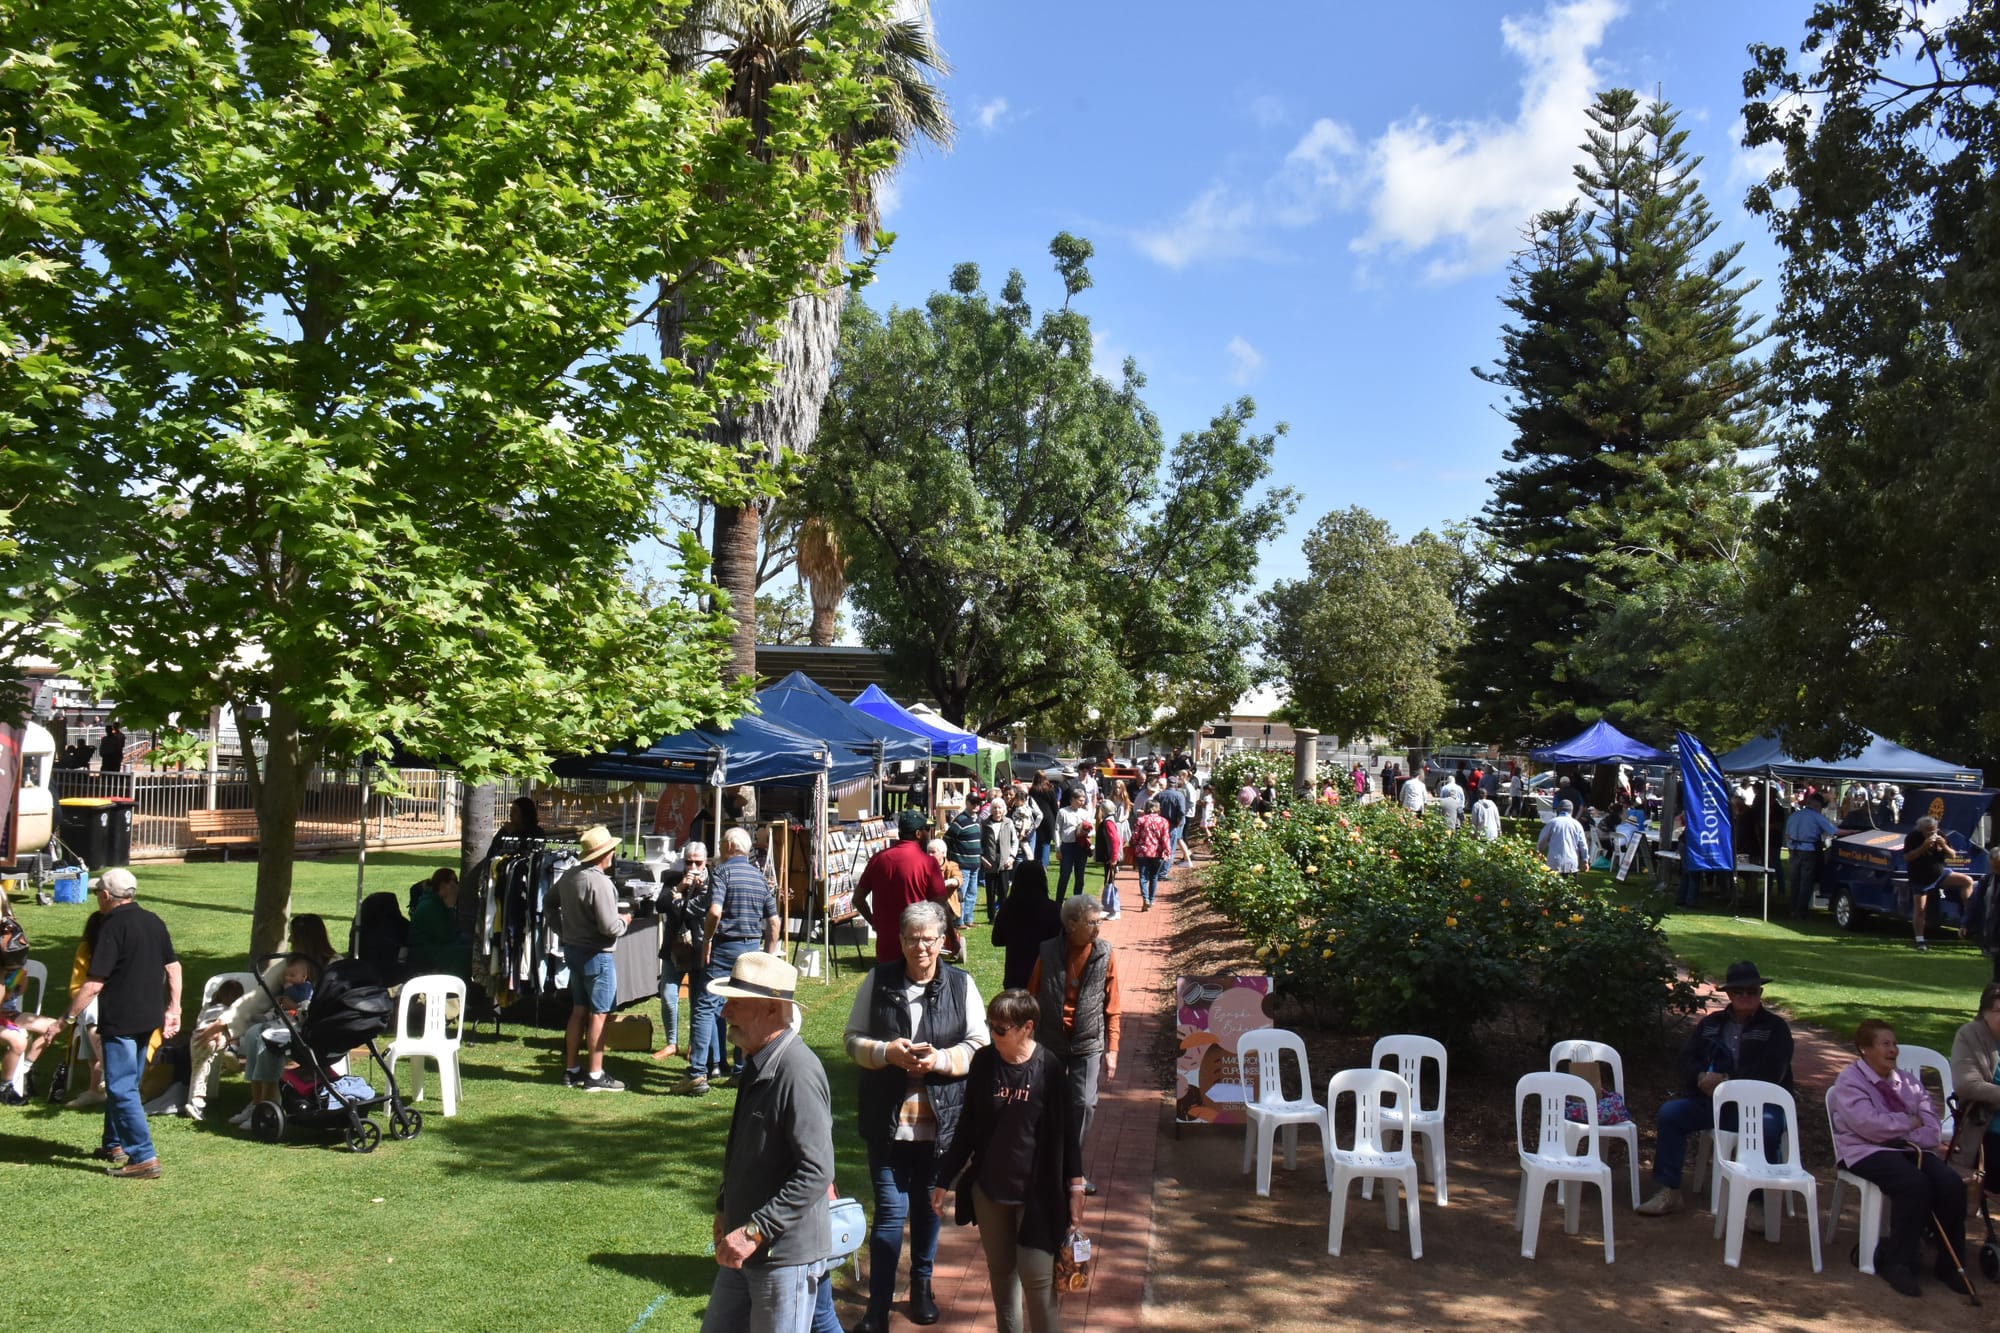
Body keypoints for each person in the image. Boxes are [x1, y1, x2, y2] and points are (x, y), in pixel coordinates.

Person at [844, 902, 988, 1332]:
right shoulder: (879, 980)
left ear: (943, 942)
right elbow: (851, 1039)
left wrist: (941, 1060)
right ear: (901, 941)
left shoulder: (962, 985)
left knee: (928, 1210)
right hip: (888, 1122)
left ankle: (921, 1288)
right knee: (889, 1215)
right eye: (912, 938)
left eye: (929, 939)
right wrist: (885, 1052)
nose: (920, 947)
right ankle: (878, 1307)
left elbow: (980, 1044)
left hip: (941, 1126)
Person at [930, 990, 1084, 1333]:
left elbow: (1067, 1135)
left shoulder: (1050, 1069)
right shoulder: (985, 1063)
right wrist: (944, 1180)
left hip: (1038, 1196)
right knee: (1001, 1277)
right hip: (991, 1192)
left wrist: (1076, 1185)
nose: (993, 1034)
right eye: (991, 1025)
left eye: (1001, 1029)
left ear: (1026, 1028)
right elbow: (967, 1125)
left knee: (1037, 1278)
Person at [701, 951, 834, 1333]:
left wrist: (755, 1229)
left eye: (736, 1004)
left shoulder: (796, 1072)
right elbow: (745, 1149)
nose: (725, 1013)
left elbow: (816, 1170)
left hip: (780, 1257)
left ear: (773, 1010)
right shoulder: (757, 1060)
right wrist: (726, 1206)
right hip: (744, 1246)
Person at [1636, 961, 1793, 1216]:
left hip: (1758, 1106)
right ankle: (1669, 1189)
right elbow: (1686, 1057)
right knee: (1671, 1114)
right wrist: (1699, 1076)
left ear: (1760, 993)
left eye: (1751, 991)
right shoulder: (1711, 1024)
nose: (1745, 996)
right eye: (1739, 991)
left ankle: (1757, 1202)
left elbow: (1773, 1070)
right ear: (1729, 994)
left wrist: (1728, 1080)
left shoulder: (1775, 1028)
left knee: (1768, 1127)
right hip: (1713, 1102)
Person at [1830, 1018, 1969, 1297]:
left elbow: (1932, 1131)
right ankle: (1900, 1262)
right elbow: (1868, 1126)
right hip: (1864, 1151)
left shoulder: (1909, 1083)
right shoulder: (1850, 1081)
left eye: (1894, 1044)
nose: (1893, 1049)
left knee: (1952, 1184)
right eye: (1885, 1044)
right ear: (1865, 1049)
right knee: (1913, 1184)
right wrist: (1908, 1121)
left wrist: (1902, 1133)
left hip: (1908, 1149)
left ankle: (1949, 1263)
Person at [60, 868, 180, 1179]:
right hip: (148, 1018)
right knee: (125, 1085)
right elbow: (174, 967)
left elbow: (93, 984)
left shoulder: (111, 927)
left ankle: (143, 1156)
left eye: (98, 892)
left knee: (121, 1087)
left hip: (122, 1020)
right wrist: (174, 1007)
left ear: (105, 896)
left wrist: (65, 1019)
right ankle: (114, 1143)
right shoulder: (154, 920)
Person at [1026, 894, 1119, 1189]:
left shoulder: (1105, 953)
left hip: (1088, 1041)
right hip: (1051, 1041)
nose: (1098, 928)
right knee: (1044, 1103)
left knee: (1085, 1103)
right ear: (1070, 925)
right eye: (1091, 923)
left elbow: (1113, 1006)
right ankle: (1043, 1165)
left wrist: (1112, 1049)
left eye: (1099, 922)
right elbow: (1032, 995)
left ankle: (1072, 1170)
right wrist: (1025, 1038)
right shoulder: (1048, 952)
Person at [678, 827, 780, 1096]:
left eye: (721, 845)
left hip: (724, 946)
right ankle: (741, 1069)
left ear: (728, 847)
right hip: (750, 948)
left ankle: (697, 1074)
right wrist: (768, 956)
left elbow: (714, 911)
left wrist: (708, 939)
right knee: (744, 1006)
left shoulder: (722, 872)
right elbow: (774, 922)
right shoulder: (759, 877)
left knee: (705, 1005)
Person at [556, 823, 631, 1093]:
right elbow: (608, 927)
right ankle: (596, 1075)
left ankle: (571, 1068)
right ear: (605, 853)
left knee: (578, 1010)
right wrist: (626, 920)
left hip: (574, 951)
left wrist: (562, 929)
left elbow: (548, 903)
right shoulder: (599, 882)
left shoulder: (570, 875)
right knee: (599, 1014)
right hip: (596, 955)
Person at [854, 810, 950, 968]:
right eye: (927, 830)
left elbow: (857, 899)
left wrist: (875, 923)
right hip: (918, 946)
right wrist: (951, 935)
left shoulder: (878, 859)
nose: (929, 834)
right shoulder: (928, 863)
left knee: (887, 989)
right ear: (918, 833)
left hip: (886, 947)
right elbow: (941, 905)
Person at [656, 840, 709, 1062]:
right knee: (668, 995)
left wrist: (683, 900)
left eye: (698, 862)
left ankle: (692, 1045)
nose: (693, 867)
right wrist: (679, 890)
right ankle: (671, 1043)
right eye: (689, 862)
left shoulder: (713, 882)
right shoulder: (672, 879)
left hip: (697, 948)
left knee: (697, 1000)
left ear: (705, 862)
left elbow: (701, 912)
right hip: (674, 947)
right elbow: (660, 906)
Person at [1951, 984, 2000, 1194]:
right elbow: (1967, 1085)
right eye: (1999, 1011)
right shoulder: (1970, 1035)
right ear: (1984, 1013)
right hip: (1988, 1133)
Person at [1904, 815, 1973, 952]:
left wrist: (1944, 845)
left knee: (1967, 880)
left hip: (1940, 874)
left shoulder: (1940, 835)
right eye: (1929, 832)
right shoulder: (1912, 837)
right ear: (1921, 830)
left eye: (1934, 831)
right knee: (1920, 910)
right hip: (1920, 878)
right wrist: (1924, 847)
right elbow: (1907, 857)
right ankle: (1920, 940)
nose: (1933, 834)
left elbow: (1953, 855)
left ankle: (1968, 915)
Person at [993, 863, 1063, 991]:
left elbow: (997, 940)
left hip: (1015, 975)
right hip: (1045, 975)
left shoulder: (1008, 908)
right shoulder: (1053, 909)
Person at [1783, 790, 1840, 919]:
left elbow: (1787, 835)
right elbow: (1834, 831)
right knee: (1805, 882)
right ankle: (1800, 911)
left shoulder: (1794, 816)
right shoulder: (1816, 816)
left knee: (1794, 882)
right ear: (1818, 806)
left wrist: (1791, 848)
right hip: (1809, 851)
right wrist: (1853, 831)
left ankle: (1793, 909)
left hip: (1794, 850)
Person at [406, 867, 471, 980]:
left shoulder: (436, 902)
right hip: (425, 951)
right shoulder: (430, 906)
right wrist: (451, 906)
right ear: (443, 885)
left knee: (470, 941)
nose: (457, 885)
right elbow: (448, 935)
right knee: (466, 953)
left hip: (436, 944)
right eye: (454, 881)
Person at [980, 799, 1018, 927]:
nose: (997, 811)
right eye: (995, 808)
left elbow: (1015, 841)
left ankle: (1004, 916)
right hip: (990, 862)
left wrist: (1012, 857)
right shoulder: (985, 824)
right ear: (991, 810)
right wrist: (982, 858)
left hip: (1005, 861)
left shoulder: (1009, 822)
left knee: (1003, 891)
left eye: (1000, 808)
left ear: (1004, 809)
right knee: (990, 891)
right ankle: (991, 917)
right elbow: (980, 843)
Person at [947, 803, 984, 933]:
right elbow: (948, 838)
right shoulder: (960, 820)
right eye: (972, 802)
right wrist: (955, 856)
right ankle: (959, 921)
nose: (975, 805)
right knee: (961, 894)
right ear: (967, 803)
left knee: (972, 893)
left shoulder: (978, 820)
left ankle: (969, 919)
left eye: (978, 803)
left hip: (975, 864)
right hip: (962, 864)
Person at [1051, 787, 1092, 902]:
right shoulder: (1063, 812)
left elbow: (1092, 831)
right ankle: (1058, 902)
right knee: (1064, 875)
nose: (1082, 802)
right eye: (1080, 800)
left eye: (1083, 800)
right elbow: (1057, 830)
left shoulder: (1085, 813)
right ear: (1072, 799)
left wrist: (1085, 831)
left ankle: (1077, 901)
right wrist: (1058, 848)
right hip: (1067, 847)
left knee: (1080, 877)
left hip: (1081, 847)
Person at [1130, 800, 1170, 912]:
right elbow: (1165, 838)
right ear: (1158, 809)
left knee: (1143, 876)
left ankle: (1145, 898)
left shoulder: (1141, 820)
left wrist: (1132, 844)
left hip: (1142, 852)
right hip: (1157, 852)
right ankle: (1151, 900)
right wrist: (1167, 851)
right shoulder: (1163, 821)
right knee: (1154, 876)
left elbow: (1135, 836)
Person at [1537, 800, 1589, 875]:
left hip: (1554, 862)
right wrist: (1585, 860)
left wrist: (1539, 851)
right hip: (1571, 863)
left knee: (1553, 886)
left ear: (1558, 810)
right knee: (1571, 886)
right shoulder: (1577, 824)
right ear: (1571, 811)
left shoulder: (1552, 823)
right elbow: (1583, 845)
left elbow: (1542, 841)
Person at [1094, 801, 1125, 919]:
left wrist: (1113, 858)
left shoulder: (1108, 822)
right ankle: (1110, 908)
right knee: (1110, 881)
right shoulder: (1111, 820)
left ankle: (1113, 909)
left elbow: (1115, 840)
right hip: (1110, 857)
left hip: (1110, 858)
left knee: (1110, 882)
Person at [1154, 773, 1191, 870]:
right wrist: (1177, 824)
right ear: (1175, 784)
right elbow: (1182, 812)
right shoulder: (1179, 796)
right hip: (1172, 825)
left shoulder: (1159, 795)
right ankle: (1163, 872)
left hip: (1159, 825)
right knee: (1170, 849)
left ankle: (1157, 870)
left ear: (1167, 784)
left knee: (1159, 848)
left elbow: (1153, 809)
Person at [1028, 774, 1059, 869]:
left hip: (1036, 818)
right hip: (1049, 818)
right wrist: (1057, 818)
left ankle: (1036, 864)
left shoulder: (1032, 790)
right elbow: (1054, 805)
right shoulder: (1050, 790)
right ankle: (1044, 865)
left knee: (1037, 842)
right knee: (1046, 843)